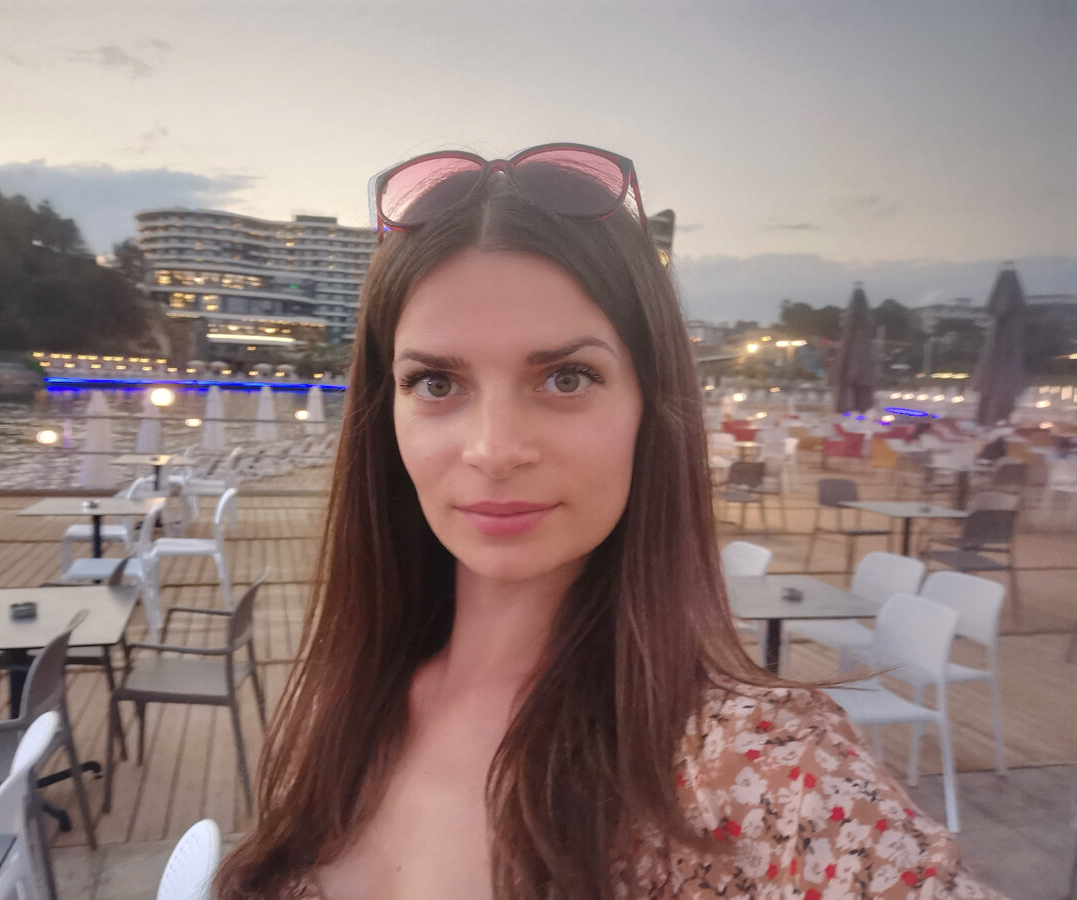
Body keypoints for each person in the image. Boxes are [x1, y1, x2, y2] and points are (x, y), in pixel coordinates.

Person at [215, 144, 1001, 899]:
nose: (494, 450)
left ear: (648, 407)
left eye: (566, 377)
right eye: (436, 383)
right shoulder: (341, 704)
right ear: (385, 412)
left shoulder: (753, 767)